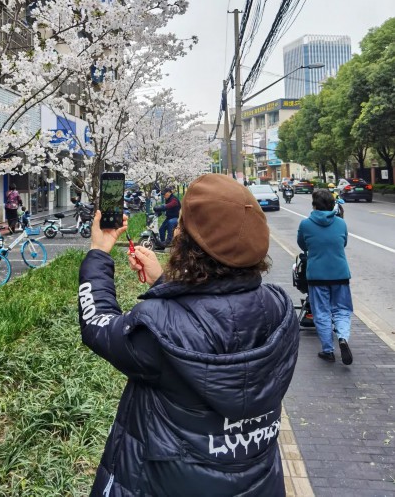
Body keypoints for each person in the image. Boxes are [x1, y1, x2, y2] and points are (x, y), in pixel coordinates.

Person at [78, 173, 299, 497]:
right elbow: (219, 319)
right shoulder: (280, 310)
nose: (177, 231)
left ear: (190, 247)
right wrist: (164, 281)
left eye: (183, 227)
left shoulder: (159, 329)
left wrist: (99, 253)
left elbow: (97, 324)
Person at [297, 188, 353, 365]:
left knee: (321, 312)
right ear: (332, 205)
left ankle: (328, 350)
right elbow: (343, 243)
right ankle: (343, 337)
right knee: (342, 309)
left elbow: (302, 244)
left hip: (317, 275)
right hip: (340, 273)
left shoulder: (305, 224)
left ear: (314, 204)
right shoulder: (341, 223)